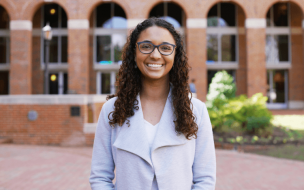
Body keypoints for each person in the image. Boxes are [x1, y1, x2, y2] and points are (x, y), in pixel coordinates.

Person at [90, 17, 216, 190]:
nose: (155, 55)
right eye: (146, 46)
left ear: (175, 54)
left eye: (165, 48)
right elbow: (100, 177)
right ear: (134, 53)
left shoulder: (196, 110)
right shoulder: (112, 109)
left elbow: (205, 180)